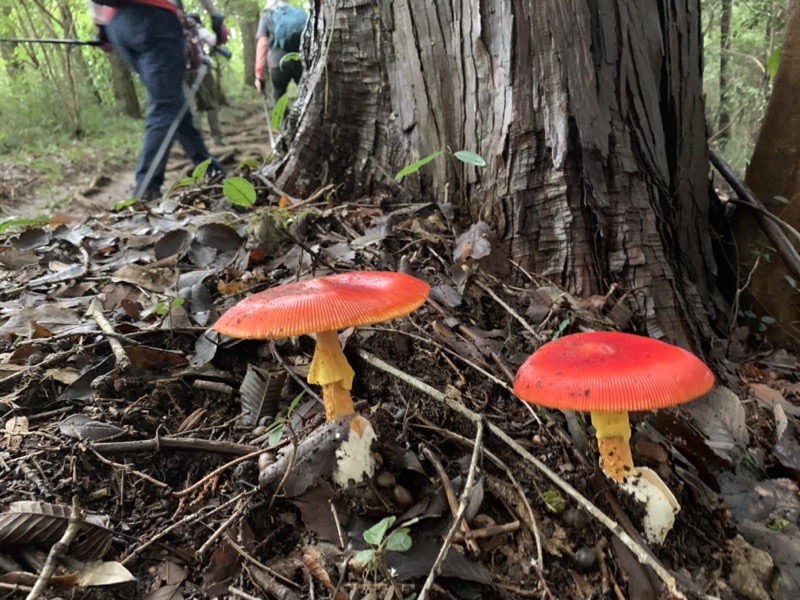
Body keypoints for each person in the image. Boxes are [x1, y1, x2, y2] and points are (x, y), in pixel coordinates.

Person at [90, 0, 228, 201]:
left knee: (173, 103)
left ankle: (211, 170)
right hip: (156, 18)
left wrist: (102, 29)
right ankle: (146, 186)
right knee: (166, 105)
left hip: (117, 26)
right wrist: (215, 16)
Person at [184, 14, 226, 147]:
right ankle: (216, 137)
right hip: (203, 71)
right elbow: (214, 41)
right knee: (211, 105)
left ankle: (198, 141)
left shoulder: (179, 31)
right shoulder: (199, 30)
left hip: (185, 73)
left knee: (193, 107)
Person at [254, 0, 308, 103]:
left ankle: (284, 118)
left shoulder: (267, 15)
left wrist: (259, 75)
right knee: (307, 96)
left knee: (278, 98)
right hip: (300, 60)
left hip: (278, 63)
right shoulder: (298, 13)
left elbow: (262, 45)